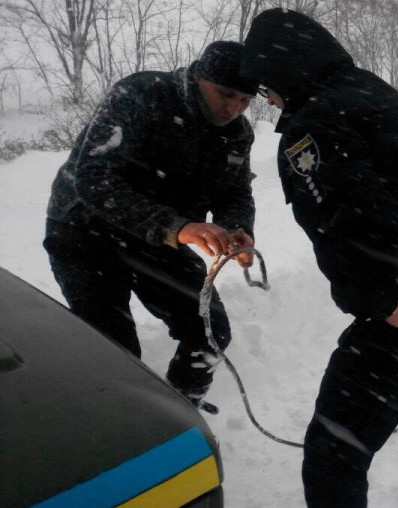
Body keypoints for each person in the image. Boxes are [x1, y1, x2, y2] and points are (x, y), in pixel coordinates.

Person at [241, 8, 398, 508]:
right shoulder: (380, 96)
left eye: (267, 84)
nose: (267, 97)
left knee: (335, 450)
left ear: (284, 71)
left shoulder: (316, 122)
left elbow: (355, 219)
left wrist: (378, 300)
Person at [43, 41, 258, 411]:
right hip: (84, 230)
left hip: (158, 239)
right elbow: (95, 178)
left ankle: (179, 412)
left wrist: (236, 226)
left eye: (244, 100)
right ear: (200, 76)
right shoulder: (142, 94)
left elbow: (235, 192)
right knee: (116, 354)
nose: (233, 108)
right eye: (226, 94)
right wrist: (175, 227)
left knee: (209, 332)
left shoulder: (237, 133)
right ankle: (123, 438)